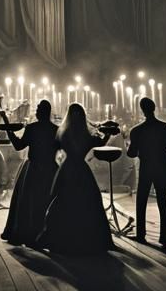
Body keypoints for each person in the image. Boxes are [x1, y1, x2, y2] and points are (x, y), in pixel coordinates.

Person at [35, 103, 113, 256]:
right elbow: (101, 142)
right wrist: (108, 133)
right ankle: (89, 240)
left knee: (62, 201)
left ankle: (60, 238)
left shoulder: (63, 134)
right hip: (81, 170)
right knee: (88, 202)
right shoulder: (86, 135)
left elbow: (52, 148)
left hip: (67, 169)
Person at [0, 98, 58, 247]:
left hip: (34, 169)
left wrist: (8, 127)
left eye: (38, 109)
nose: (36, 112)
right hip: (51, 169)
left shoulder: (32, 128)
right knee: (45, 202)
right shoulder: (55, 130)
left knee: (29, 203)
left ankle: (28, 234)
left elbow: (19, 146)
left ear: (41, 113)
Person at [127, 96, 166, 246]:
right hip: (162, 165)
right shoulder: (165, 127)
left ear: (142, 110)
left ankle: (141, 234)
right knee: (163, 199)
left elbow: (131, 153)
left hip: (146, 166)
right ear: (154, 108)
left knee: (141, 200)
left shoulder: (136, 130)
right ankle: (165, 235)